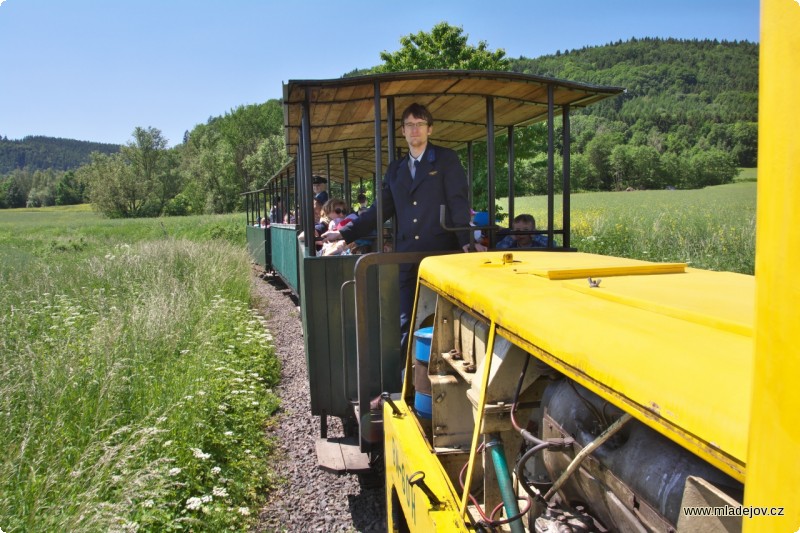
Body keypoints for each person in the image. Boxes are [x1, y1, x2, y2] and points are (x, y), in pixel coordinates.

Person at [322, 102, 485, 362]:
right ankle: (403, 383)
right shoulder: (396, 169)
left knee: (445, 319)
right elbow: (380, 209)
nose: (415, 130)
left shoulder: (445, 159)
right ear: (403, 131)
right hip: (406, 255)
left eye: (420, 125)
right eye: (410, 125)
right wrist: (343, 234)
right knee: (405, 320)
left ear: (430, 129)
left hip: (440, 253)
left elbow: (458, 202)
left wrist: (466, 241)